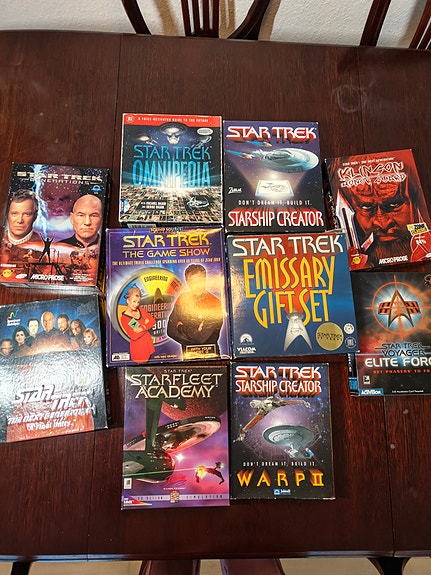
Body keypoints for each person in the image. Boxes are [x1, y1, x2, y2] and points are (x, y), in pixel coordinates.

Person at [167, 264, 223, 360]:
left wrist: (180, 327)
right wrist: (195, 332)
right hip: (188, 358)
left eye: (200, 280)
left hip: (211, 357)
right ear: (188, 283)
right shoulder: (182, 299)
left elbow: (201, 338)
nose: (197, 285)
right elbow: (171, 331)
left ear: (205, 280)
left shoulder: (214, 303)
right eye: (192, 281)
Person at [120, 286, 156, 363]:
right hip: (138, 349)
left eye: (138, 302)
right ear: (128, 301)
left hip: (148, 345)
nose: (136, 304)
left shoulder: (140, 309)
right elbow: (134, 335)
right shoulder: (125, 318)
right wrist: (146, 324)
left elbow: (152, 321)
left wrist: (142, 327)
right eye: (134, 301)